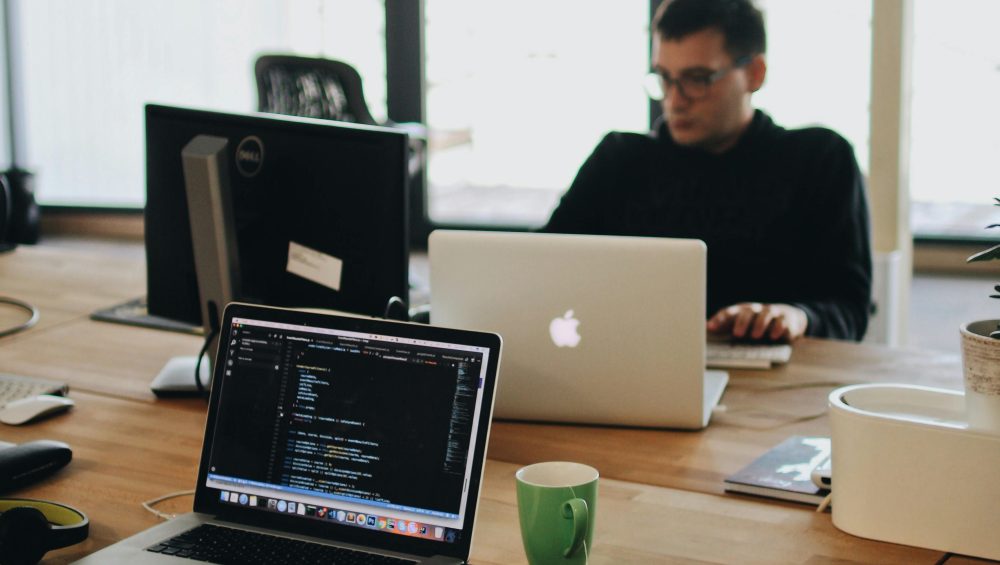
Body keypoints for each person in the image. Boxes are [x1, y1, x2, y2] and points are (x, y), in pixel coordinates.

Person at [543, 0, 872, 342]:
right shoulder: (619, 160)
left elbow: (850, 309)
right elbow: (539, 265)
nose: (674, 100)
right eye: (665, 78)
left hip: (777, 382)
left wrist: (797, 316)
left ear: (755, 74)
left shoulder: (820, 160)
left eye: (697, 79)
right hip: (632, 368)